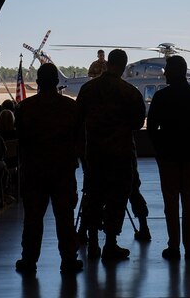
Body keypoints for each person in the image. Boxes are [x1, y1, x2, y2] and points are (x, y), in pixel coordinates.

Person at [14, 63, 84, 275]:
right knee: (65, 217)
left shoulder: (25, 108)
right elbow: (80, 141)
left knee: (33, 218)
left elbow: (21, 141)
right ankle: (69, 259)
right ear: (56, 82)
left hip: (35, 171)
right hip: (63, 171)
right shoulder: (71, 107)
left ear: (37, 82)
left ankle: (29, 260)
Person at [76, 49, 145, 262]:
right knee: (117, 198)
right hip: (120, 155)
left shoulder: (88, 89)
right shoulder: (130, 92)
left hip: (94, 154)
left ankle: (93, 241)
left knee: (93, 195)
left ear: (107, 64)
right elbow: (137, 123)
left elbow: (78, 119)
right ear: (123, 66)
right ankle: (110, 244)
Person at [147, 55, 190, 260]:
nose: (164, 73)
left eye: (167, 69)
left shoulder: (161, 97)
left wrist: (161, 147)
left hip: (167, 156)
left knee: (171, 203)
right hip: (189, 155)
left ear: (174, 71)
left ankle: (173, 246)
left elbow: (151, 128)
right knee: (189, 201)